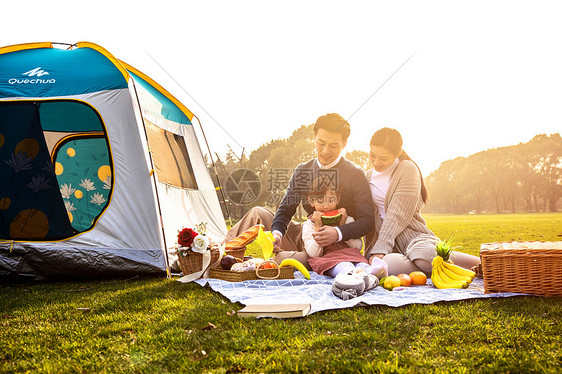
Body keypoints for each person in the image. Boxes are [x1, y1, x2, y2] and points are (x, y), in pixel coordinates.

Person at [223, 113, 375, 268]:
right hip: (306, 234)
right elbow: (285, 210)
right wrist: (277, 233)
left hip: (337, 248)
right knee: (257, 212)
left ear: (344, 143)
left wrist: (338, 232)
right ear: (314, 138)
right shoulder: (303, 171)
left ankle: (295, 260)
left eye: (333, 146)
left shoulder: (355, 173)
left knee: (283, 260)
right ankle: (218, 254)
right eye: (320, 143)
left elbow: (367, 220)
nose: (325, 151)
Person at [364, 127, 481, 275]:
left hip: (413, 239)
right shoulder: (367, 176)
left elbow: (397, 213)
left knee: (425, 257)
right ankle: (442, 270)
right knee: (389, 265)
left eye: (383, 158)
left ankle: (482, 265)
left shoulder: (407, 169)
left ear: (397, 153)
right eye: (372, 155)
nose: (376, 162)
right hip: (384, 246)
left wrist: (382, 247)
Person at [304, 177, 387, 279]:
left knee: (362, 265)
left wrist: (343, 226)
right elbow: (314, 253)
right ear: (311, 201)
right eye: (320, 201)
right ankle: (360, 276)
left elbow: (357, 247)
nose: (326, 206)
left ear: (338, 199)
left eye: (330, 200)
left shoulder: (347, 219)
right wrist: (318, 228)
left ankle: (373, 272)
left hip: (353, 257)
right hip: (329, 261)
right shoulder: (309, 225)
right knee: (345, 267)